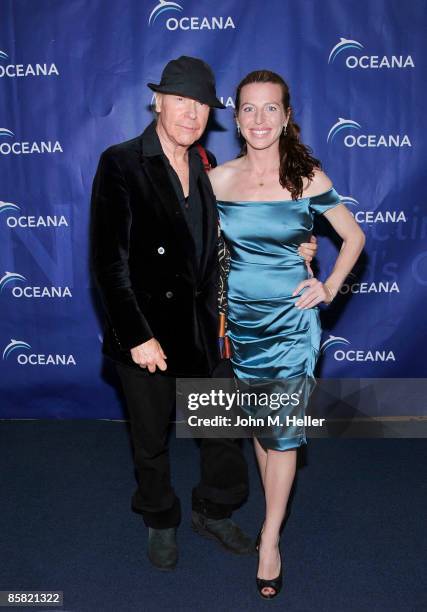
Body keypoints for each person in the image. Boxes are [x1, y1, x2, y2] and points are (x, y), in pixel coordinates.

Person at [90, 57, 317, 571]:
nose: (191, 113)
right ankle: (161, 518)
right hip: (144, 334)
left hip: (202, 331)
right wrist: (137, 337)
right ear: (159, 102)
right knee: (150, 441)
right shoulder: (121, 162)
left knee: (220, 433)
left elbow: (232, 240)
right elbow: (109, 264)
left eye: (200, 104)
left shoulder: (208, 165)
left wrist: (294, 248)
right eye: (181, 101)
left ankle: (214, 510)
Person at [209, 70, 365, 598]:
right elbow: (206, 251)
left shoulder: (306, 176)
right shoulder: (218, 180)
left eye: (270, 108)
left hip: (293, 322)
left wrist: (329, 284)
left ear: (287, 116)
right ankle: (272, 517)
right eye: (249, 109)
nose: (259, 119)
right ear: (235, 118)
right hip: (244, 323)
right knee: (261, 427)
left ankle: (270, 537)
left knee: (283, 431)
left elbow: (353, 235)